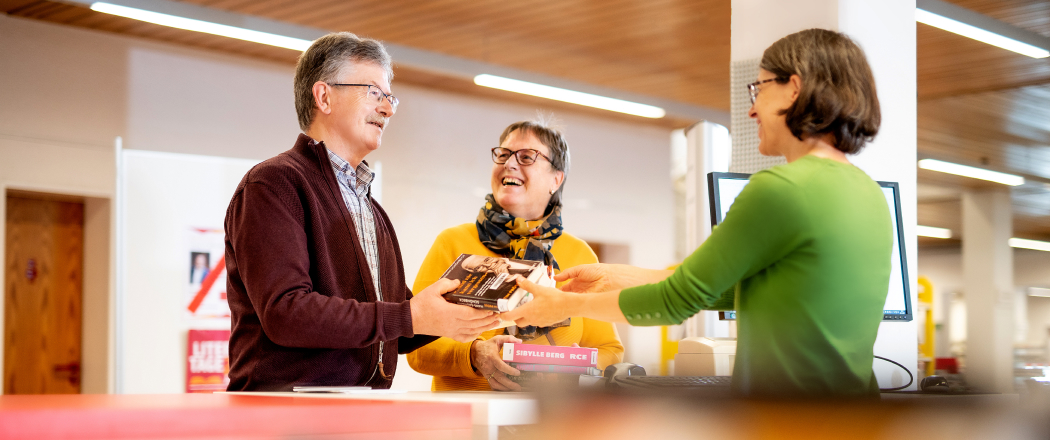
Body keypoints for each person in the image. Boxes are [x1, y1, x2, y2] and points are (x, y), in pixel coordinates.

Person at [505, 29, 891, 398]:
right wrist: (612, 277)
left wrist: (565, 305)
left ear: (794, 87)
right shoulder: (868, 194)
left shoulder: (781, 189)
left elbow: (679, 300)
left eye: (759, 88)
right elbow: (724, 289)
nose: (753, 108)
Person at [224, 32, 499, 391]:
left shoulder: (371, 209)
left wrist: (461, 307)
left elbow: (393, 329)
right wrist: (409, 315)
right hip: (284, 414)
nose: (386, 108)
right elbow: (286, 313)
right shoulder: (273, 185)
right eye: (374, 93)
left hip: (359, 412)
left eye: (389, 98)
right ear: (324, 96)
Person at [407, 120, 624, 391]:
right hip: (468, 424)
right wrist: (474, 355)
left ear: (556, 179)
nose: (509, 164)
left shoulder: (580, 254)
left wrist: (580, 370)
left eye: (526, 157)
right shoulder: (453, 243)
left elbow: (609, 349)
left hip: (552, 422)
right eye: (503, 154)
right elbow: (415, 345)